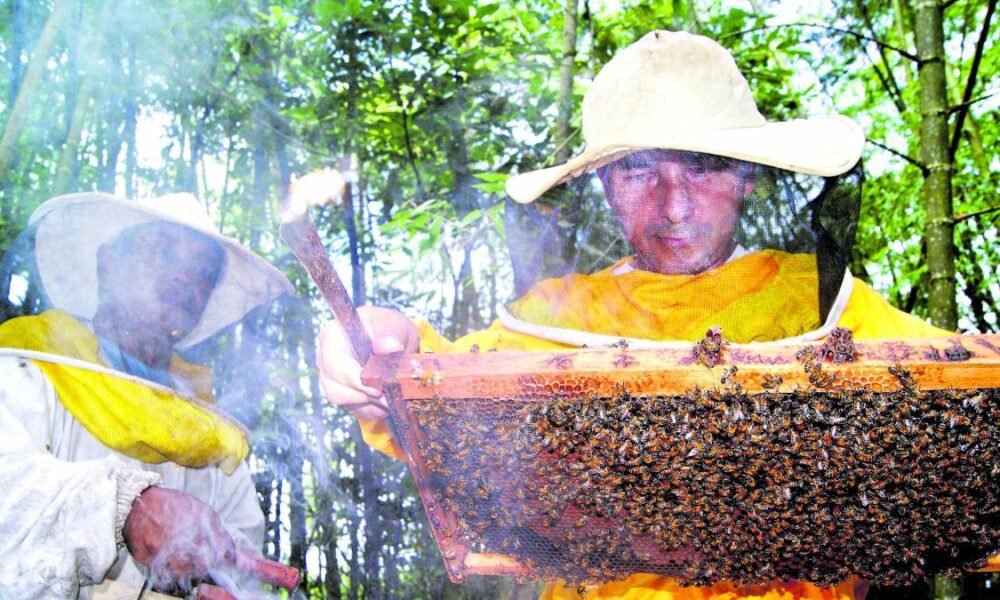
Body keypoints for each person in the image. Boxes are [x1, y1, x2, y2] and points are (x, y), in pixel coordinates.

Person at [317, 31, 952, 600]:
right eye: (640, 170)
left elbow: (958, 383)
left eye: (703, 167)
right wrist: (377, 347)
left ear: (749, 177)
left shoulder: (822, 302)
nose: (674, 205)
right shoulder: (558, 316)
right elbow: (441, 382)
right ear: (601, 183)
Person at [0, 192, 293, 598]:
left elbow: (242, 549)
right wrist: (124, 509)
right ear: (108, 263)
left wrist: (226, 585)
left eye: (202, 272)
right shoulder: (26, 370)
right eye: (161, 250)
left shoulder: (212, 434)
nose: (183, 277)